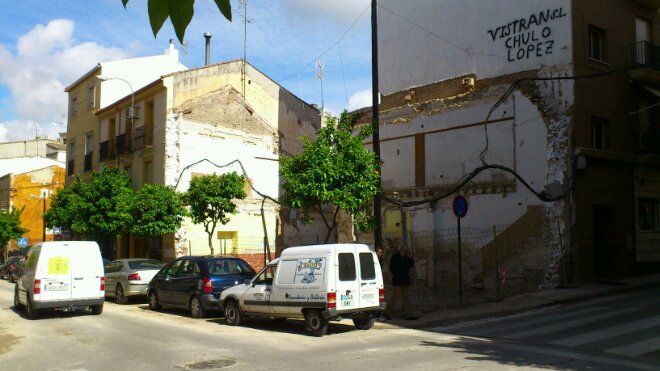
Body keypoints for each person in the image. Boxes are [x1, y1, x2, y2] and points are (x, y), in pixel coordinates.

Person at [389, 246, 415, 320]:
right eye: (405, 251)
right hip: (398, 280)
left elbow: (410, 266)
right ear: (401, 251)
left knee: (406, 298)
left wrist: (410, 258)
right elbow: (392, 269)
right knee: (395, 297)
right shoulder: (395, 257)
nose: (406, 252)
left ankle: (407, 315)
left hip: (405, 280)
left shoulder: (406, 258)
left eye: (407, 251)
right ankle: (387, 312)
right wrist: (398, 275)